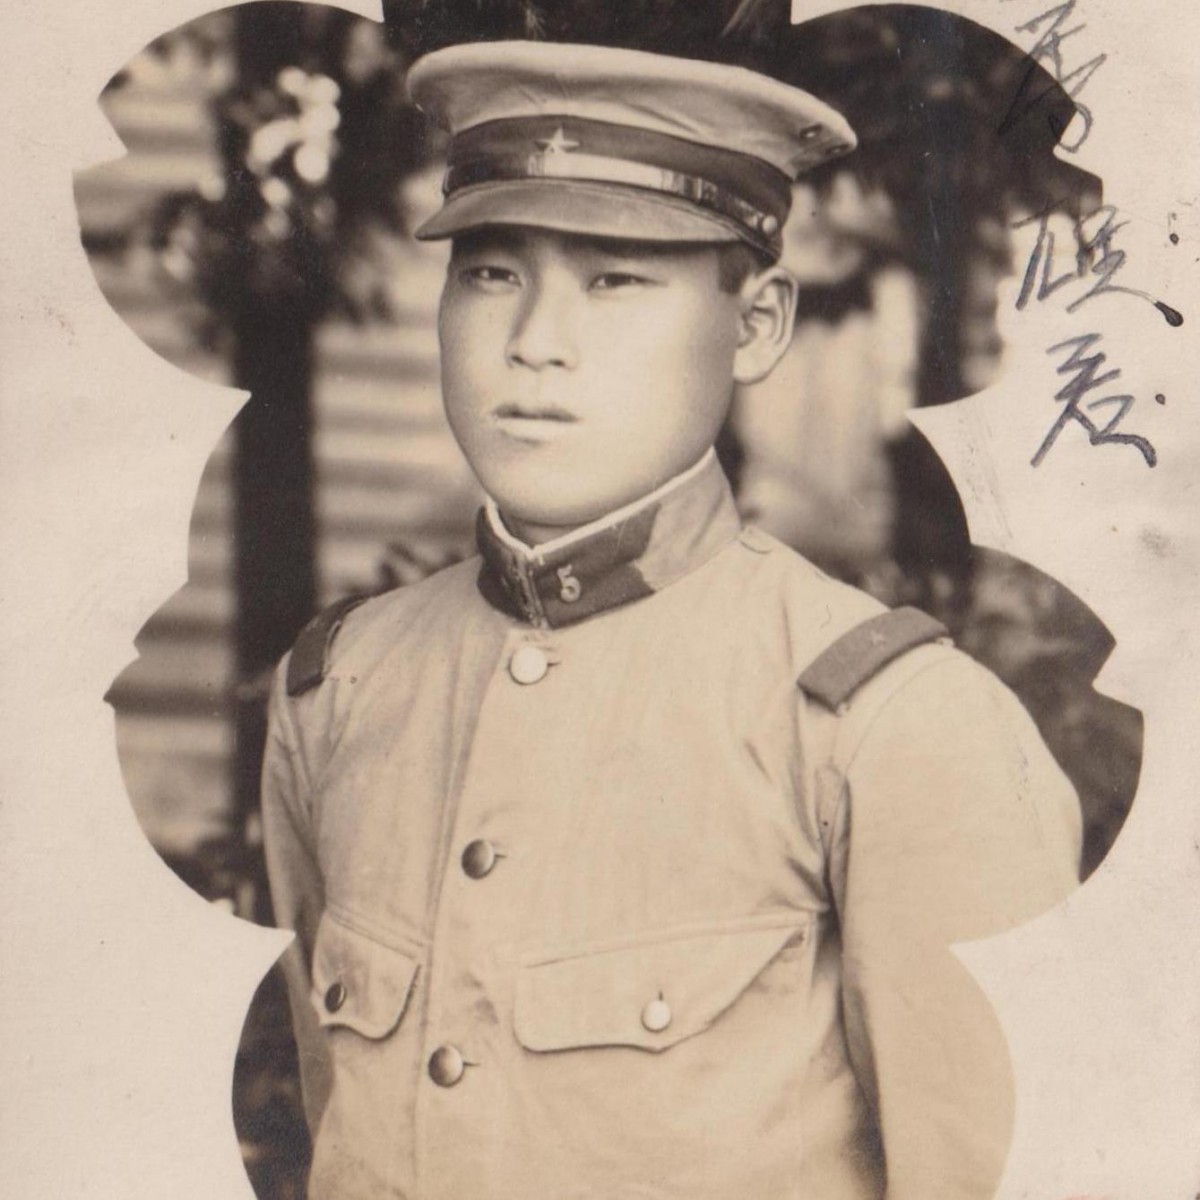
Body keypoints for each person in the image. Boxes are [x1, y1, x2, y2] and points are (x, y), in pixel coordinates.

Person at [261, 38, 1081, 1200]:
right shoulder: (342, 690)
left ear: (756, 326)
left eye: (615, 277)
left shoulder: (893, 726)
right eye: (492, 271)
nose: (536, 340)